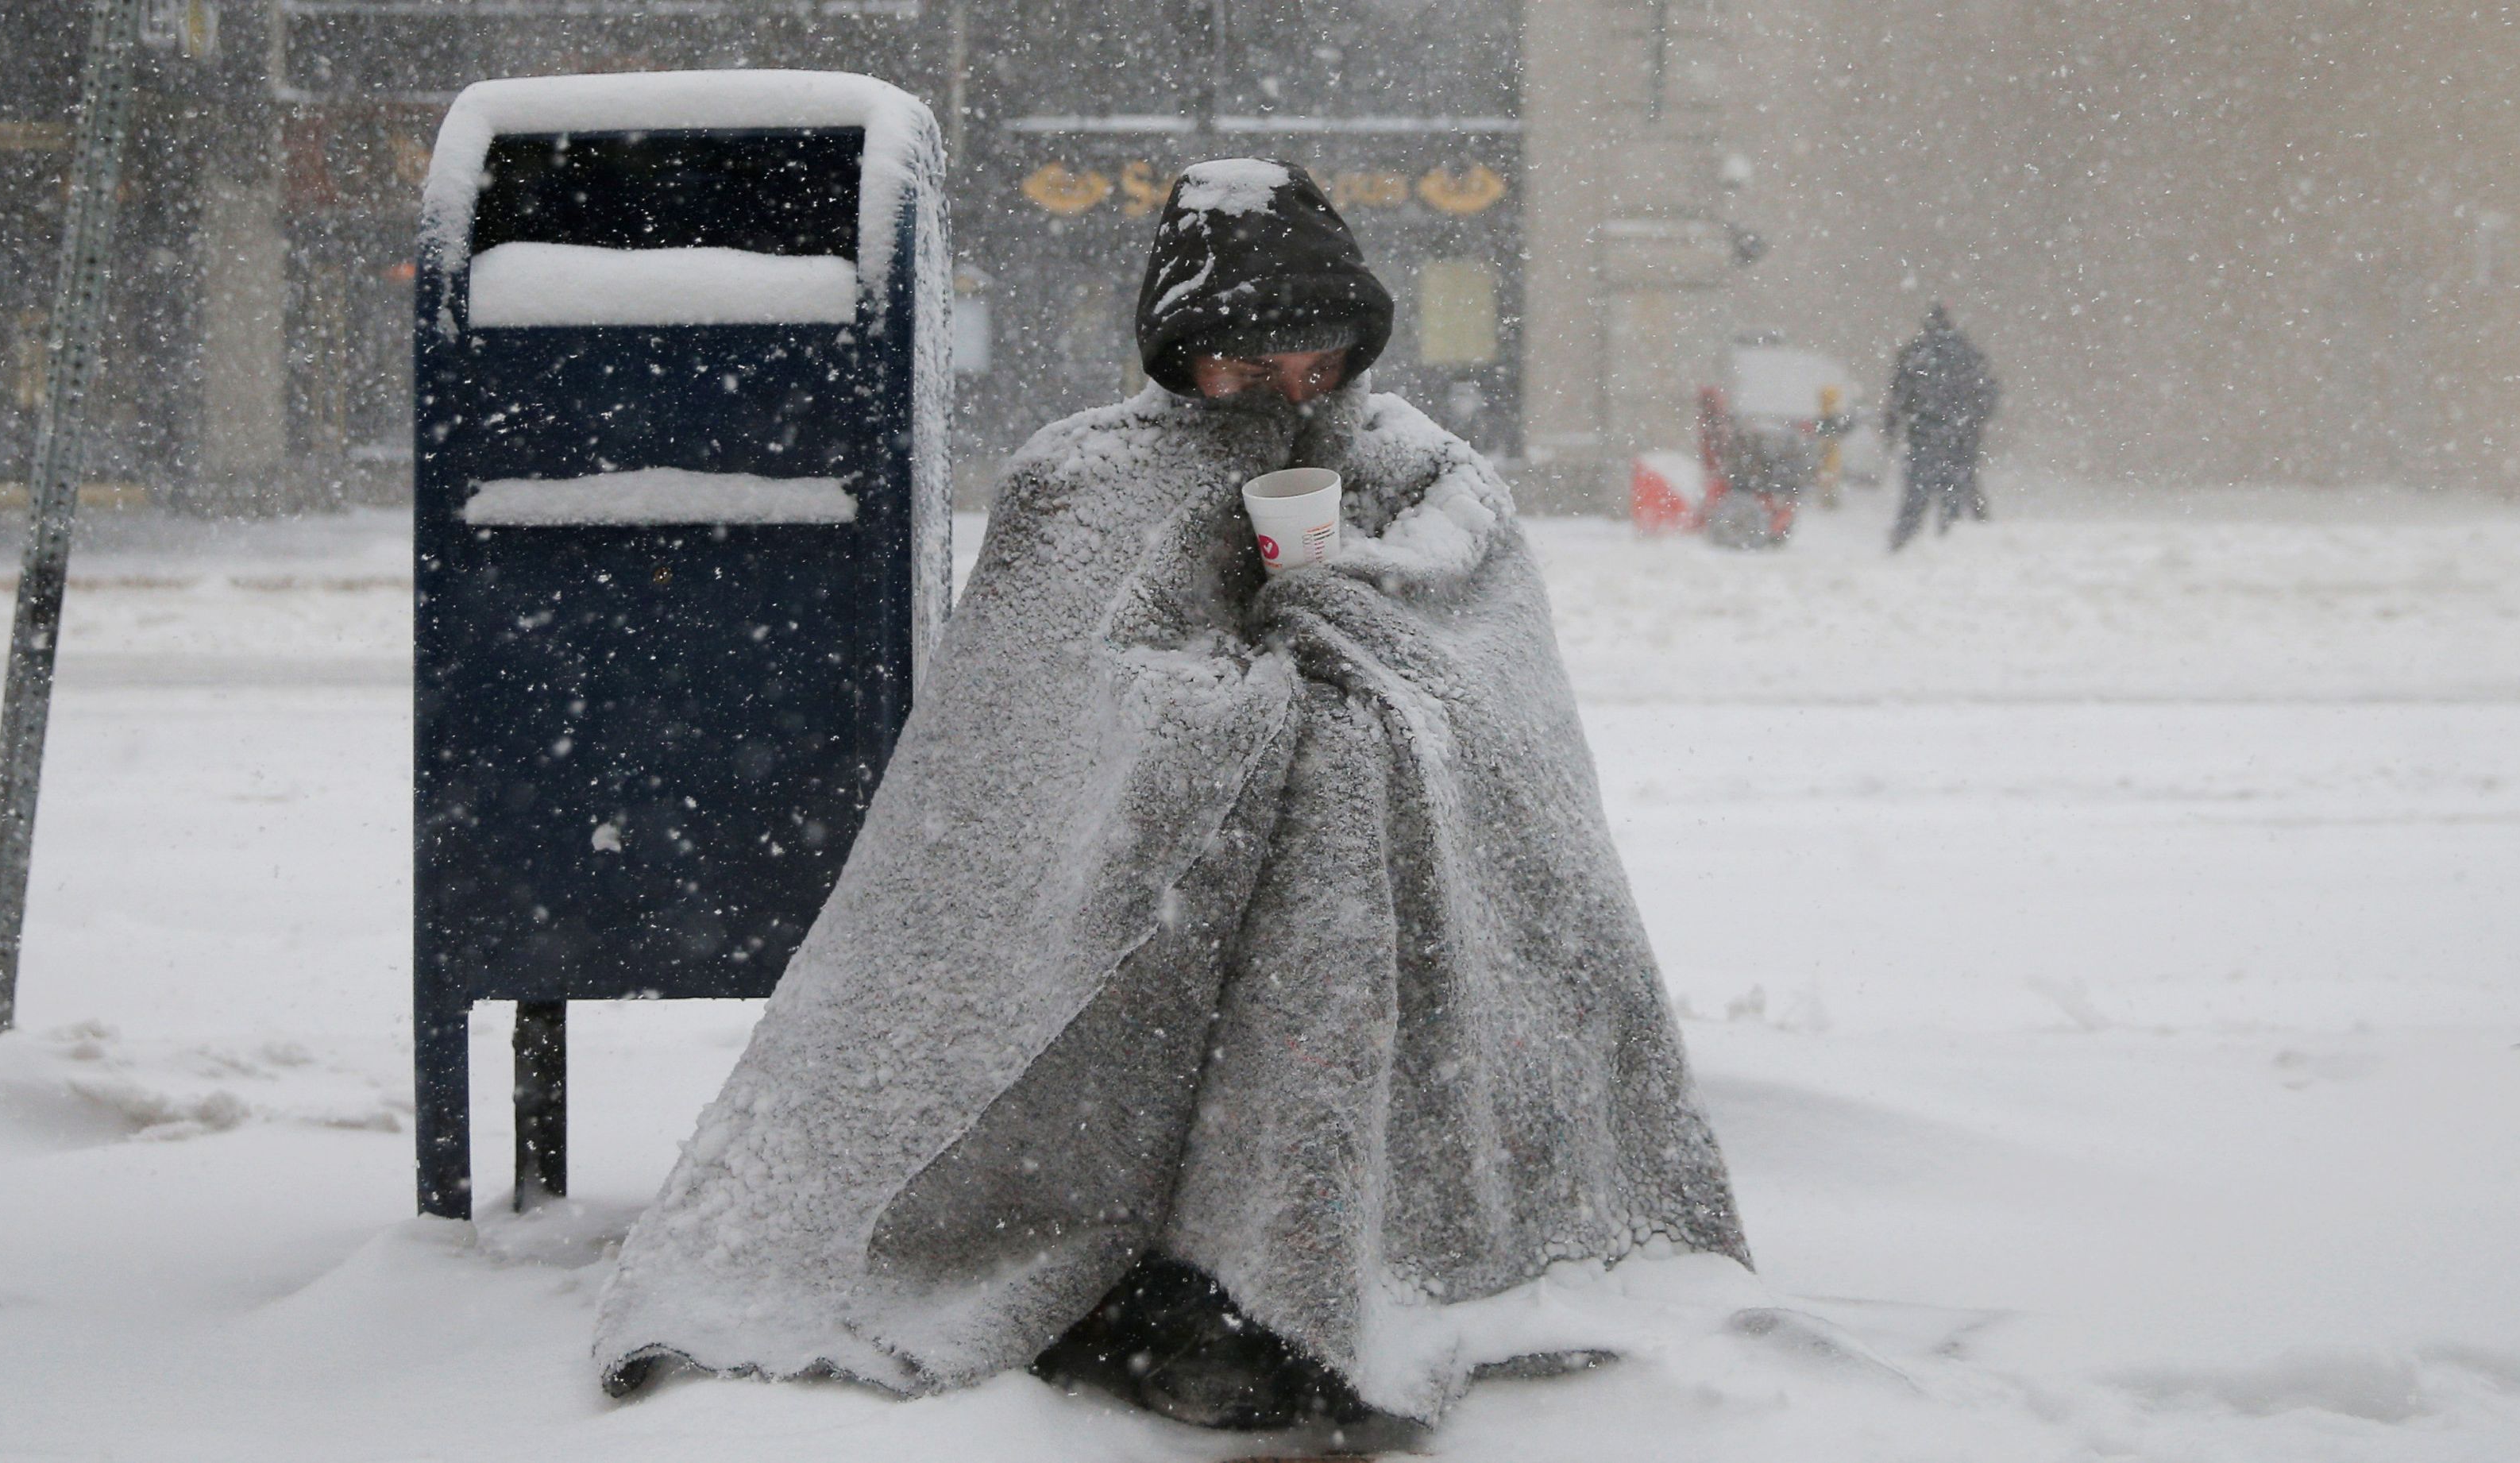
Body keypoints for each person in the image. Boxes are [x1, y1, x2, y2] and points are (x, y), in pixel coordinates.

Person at [591, 159, 1748, 1446]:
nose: (1288, 401)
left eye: (1315, 370)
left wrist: (1338, 628)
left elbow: (1488, 717)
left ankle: (1285, 1278)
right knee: (1282, 836)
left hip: (1372, 914)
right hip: (1154, 911)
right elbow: (1038, 744)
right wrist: (1235, 706)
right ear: (1182, 361)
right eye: (1248, 379)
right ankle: (1194, 1270)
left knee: (1342, 814)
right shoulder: (1082, 484)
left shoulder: (1426, 478)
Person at [1881, 303, 1999, 550]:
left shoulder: (1916, 353)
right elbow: (1988, 393)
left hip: (1924, 434)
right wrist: (1974, 423)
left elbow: (1899, 398)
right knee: (1954, 494)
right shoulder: (1969, 354)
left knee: (1916, 496)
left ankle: (1902, 545)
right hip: (1960, 437)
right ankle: (1951, 542)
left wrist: (1891, 431)